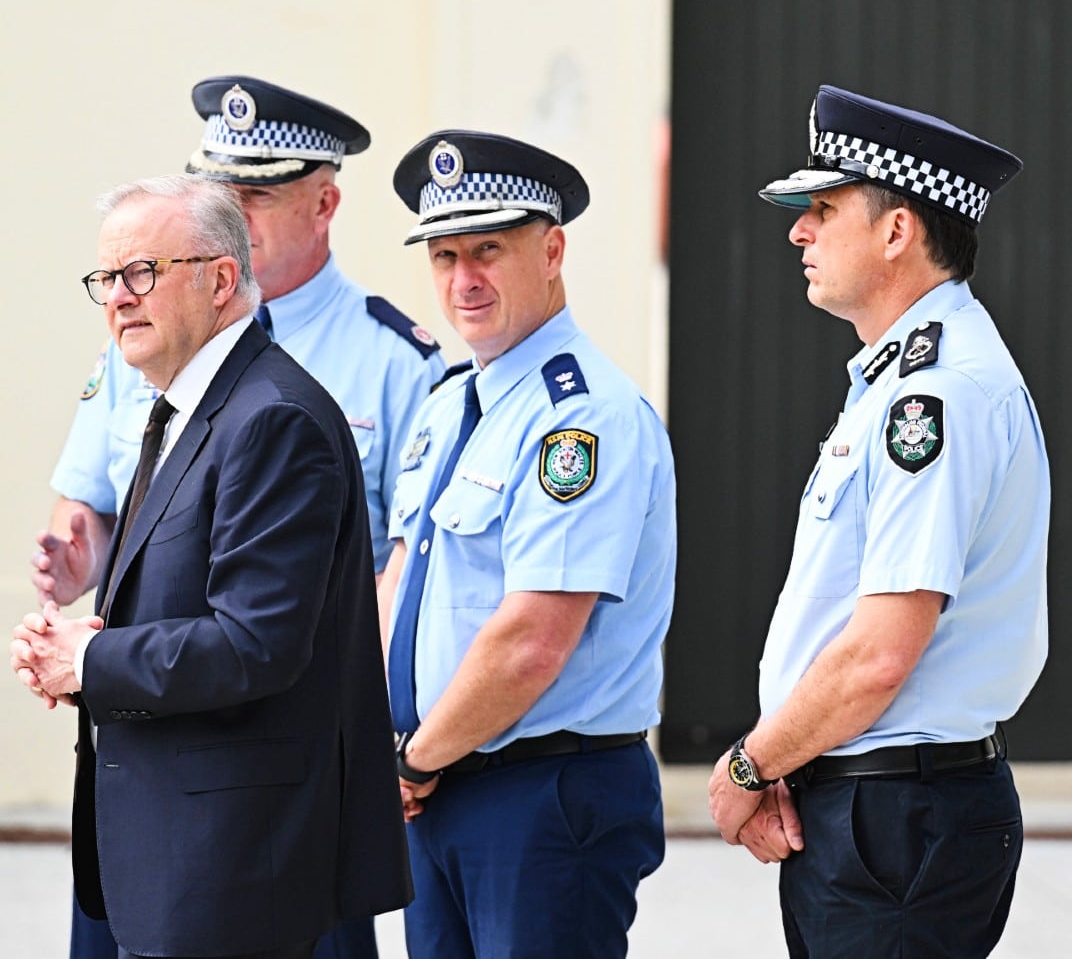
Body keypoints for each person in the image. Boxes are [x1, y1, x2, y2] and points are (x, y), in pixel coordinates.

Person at [35, 74, 440, 959]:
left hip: (238, 864)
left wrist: (92, 657)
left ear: (221, 282)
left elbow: (255, 643)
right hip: (165, 844)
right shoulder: (176, 401)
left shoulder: (273, 417)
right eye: (105, 277)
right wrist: (83, 638)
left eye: (142, 273)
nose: (117, 296)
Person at [706, 84, 1044, 957]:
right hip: (873, 807)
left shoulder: (933, 395)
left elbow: (878, 654)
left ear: (898, 232)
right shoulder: (899, 380)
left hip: (897, 819)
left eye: (822, 207)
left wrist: (750, 764)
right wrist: (789, 756)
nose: (798, 232)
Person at [380, 130, 674, 958]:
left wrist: (411, 759)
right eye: (444, 257)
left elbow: (533, 639)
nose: (463, 280)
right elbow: (399, 583)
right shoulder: (449, 407)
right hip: (438, 787)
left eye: (488, 251)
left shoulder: (580, 419)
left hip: (541, 794)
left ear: (551, 251)